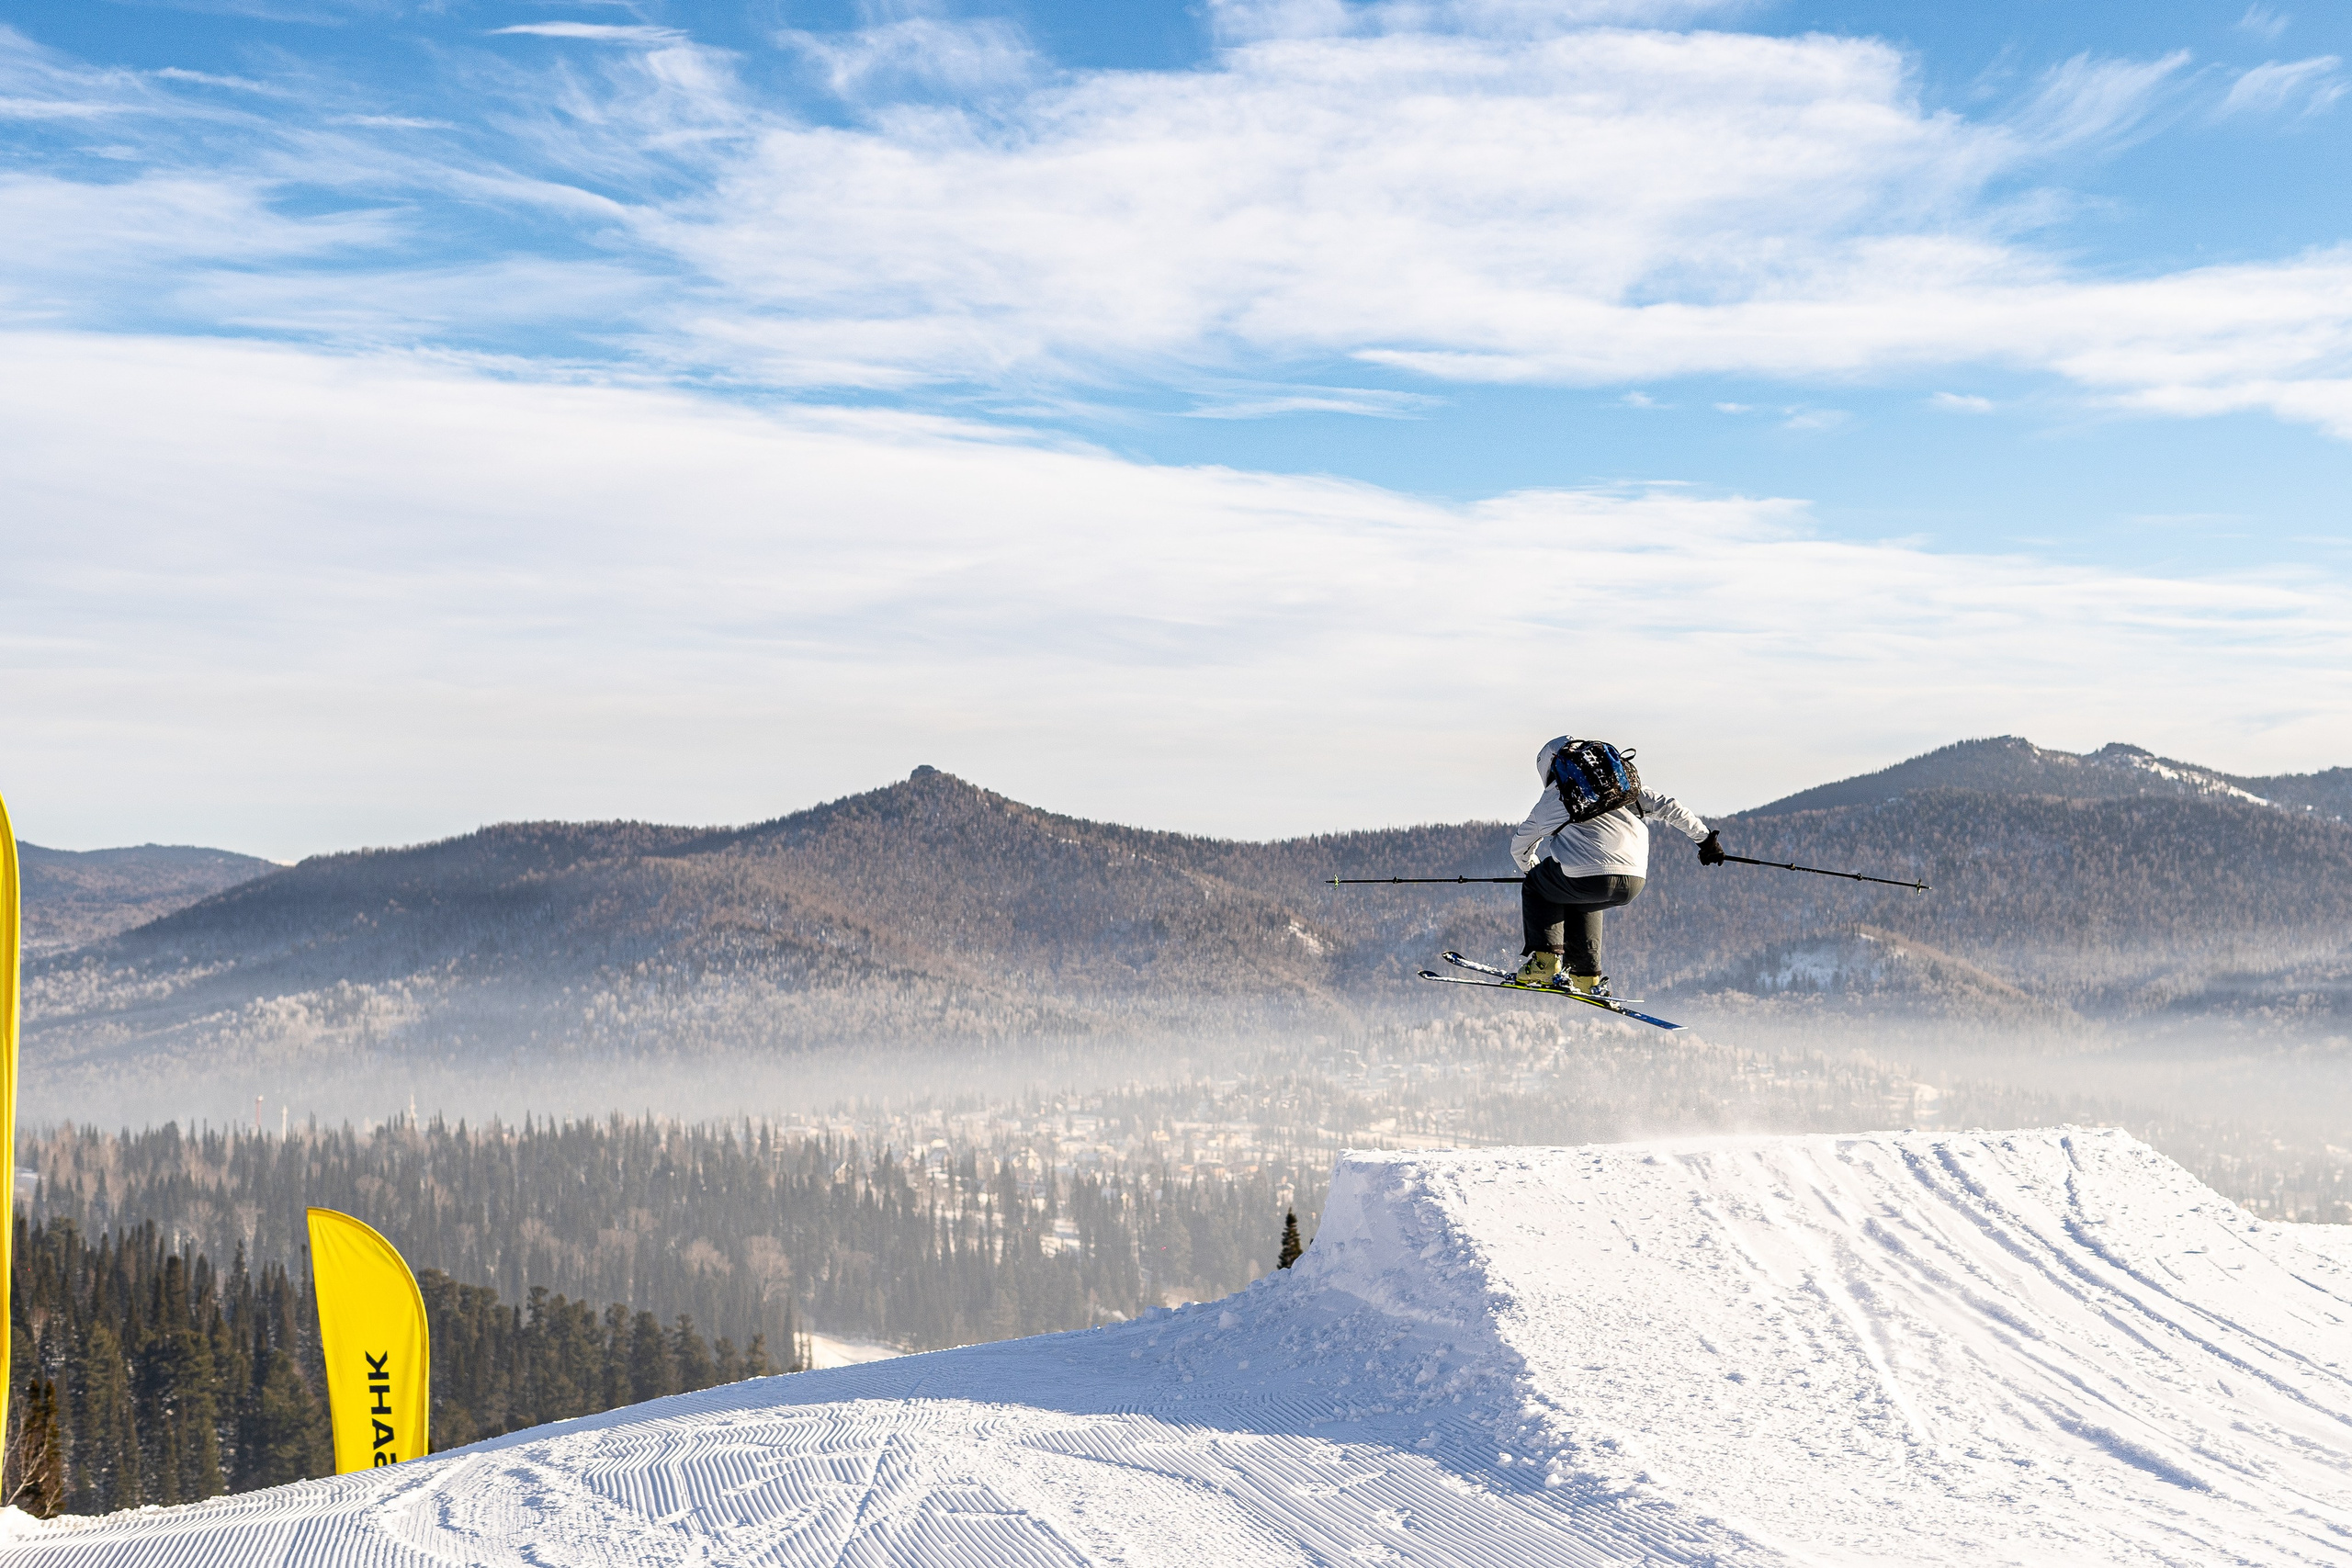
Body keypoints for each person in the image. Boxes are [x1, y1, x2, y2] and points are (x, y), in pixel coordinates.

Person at [1509, 735, 1724, 994]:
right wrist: (1706, 841)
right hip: (1634, 881)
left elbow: (1520, 848)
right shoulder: (1619, 787)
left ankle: (1545, 963)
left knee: (1537, 884)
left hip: (1585, 878)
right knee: (1579, 895)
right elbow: (1670, 807)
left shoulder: (1553, 800)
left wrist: (1535, 872)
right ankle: (1585, 975)